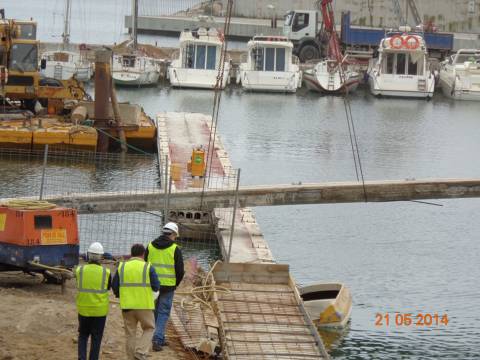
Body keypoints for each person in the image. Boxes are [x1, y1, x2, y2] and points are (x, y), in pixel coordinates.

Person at [112, 244, 160, 360]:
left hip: (127, 306)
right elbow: (156, 286)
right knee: (149, 328)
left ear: (131, 254)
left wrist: (121, 295)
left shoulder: (122, 267)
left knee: (130, 334)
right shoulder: (148, 267)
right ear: (143, 254)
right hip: (144, 305)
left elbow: (114, 286)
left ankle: (130, 357)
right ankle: (141, 351)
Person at [145, 222, 184, 351]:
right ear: (172, 234)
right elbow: (180, 270)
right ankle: (157, 338)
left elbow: (144, 265)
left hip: (152, 285)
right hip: (168, 286)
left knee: (155, 311)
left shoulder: (150, 246)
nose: (175, 238)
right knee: (163, 312)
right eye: (175, 236)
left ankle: (156, 336)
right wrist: (176, 284)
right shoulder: (174, 249)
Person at [75, 242, 111, 360]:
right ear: (101, 257)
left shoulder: (80, 270)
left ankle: (82, 358)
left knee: (83, 335)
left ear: (88, 255)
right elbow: (108, 287)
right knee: (96, 337)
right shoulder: (106, 272)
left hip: (83, 309)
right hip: (99, 311)